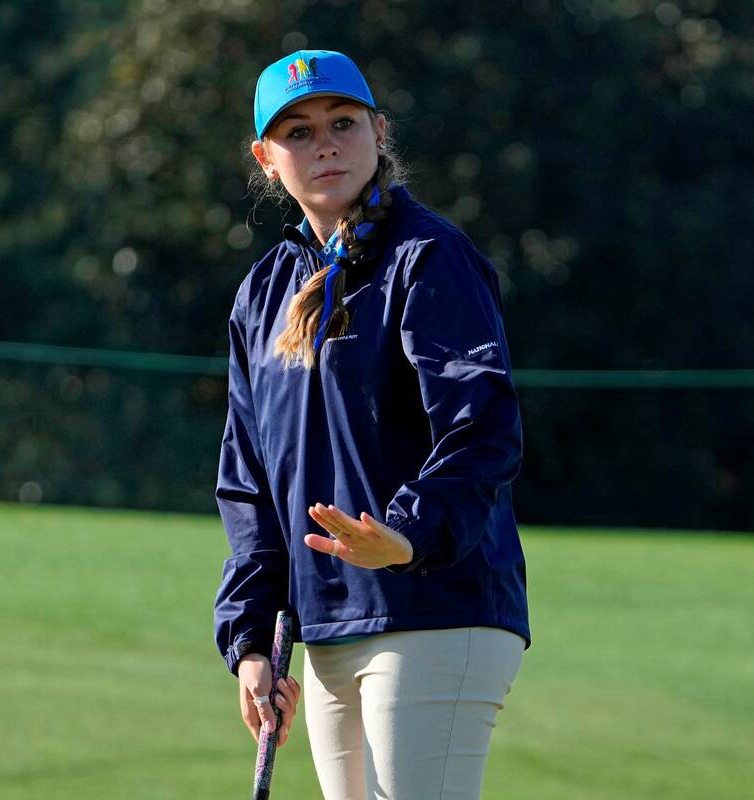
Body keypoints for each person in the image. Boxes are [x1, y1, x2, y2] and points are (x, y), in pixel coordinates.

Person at [213, 49, 531, 800]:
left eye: (342, 123)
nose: (324, 144)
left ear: (378, 133)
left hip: (437, 610)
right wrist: (252, 639)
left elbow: (482, 428)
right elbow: (248, 481)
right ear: (266, 158)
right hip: (324, 631)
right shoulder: (262, 294)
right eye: (297, 132)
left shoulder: (431, 258)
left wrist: (408, 533)